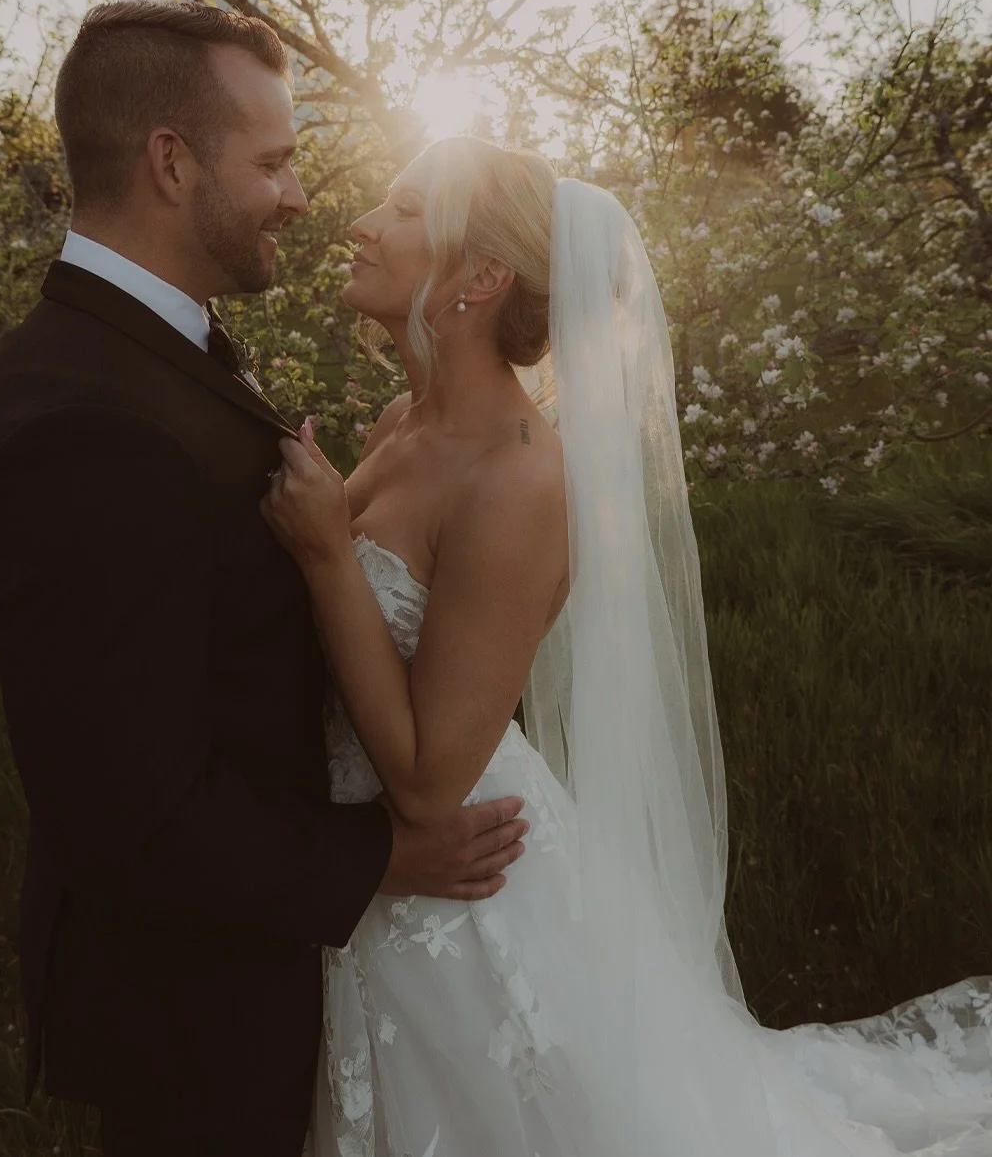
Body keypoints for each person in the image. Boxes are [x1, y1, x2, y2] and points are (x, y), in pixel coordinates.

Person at [263, 135, 992, 1156]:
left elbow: (430, 781)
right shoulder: (400, 419)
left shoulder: (520, 479)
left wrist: (327, 558)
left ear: (480, 276)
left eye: (403, 209)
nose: (361, 224)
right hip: (361, 857)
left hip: (453, 872)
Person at [0, 2, 529, 1157]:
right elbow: (132, 813)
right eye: (273, 162)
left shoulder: (157, 337)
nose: (305, 198)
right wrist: (386, 858)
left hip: (264, 963)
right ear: (171, 162)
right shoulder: (77, 424)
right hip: (194, 1002)